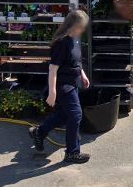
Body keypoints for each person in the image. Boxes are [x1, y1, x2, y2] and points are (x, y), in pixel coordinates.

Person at [29, 9, 91, 164]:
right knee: (76, 115)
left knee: (65, 114)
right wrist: (52, 91)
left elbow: (76, 61)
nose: (83, 30)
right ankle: (72, 152)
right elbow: (53, 69)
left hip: (73, 82)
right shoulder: (61, 44)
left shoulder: (76, 40)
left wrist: (82, 74)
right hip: (63, 85)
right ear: (73, 26)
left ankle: (39, 132)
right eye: (81, 27)